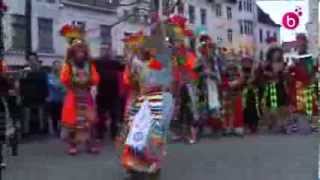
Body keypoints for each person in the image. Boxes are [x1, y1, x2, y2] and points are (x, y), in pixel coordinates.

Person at [59, 24, 100, 155]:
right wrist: (73, 80)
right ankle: (73, 145)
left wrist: (89, 80)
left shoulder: (89, 65)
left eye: (82, 51)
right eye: (78, 51)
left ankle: (90, 144)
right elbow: (64, 79)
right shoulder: (68, 65)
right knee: (73, 123)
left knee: (90, 121)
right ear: (73, 52)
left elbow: (95, 79)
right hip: (73, 95)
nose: (80, 54)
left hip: (86, 95)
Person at [94, 50, 125, 142]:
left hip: (113, 94)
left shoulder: (115, 63)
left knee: (113, 115)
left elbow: (125, 67)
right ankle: (101, 133)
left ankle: (112, 134)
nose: (107, 54)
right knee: (102, 115)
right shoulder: (97, 62)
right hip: (102, 94)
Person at [19, 52, 49, 136]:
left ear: (36, 60)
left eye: (33, 59)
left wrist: (46, 95)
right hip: (27, 97)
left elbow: (44, 83)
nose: (32, 61)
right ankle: (25, 131)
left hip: (40, 96)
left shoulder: (42, 71)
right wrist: (21, 95)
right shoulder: (24, 71)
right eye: (30, 59)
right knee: (26, 114)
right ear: (28, 61)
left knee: (42, 113)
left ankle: (43, 130)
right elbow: (21, 83)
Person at [47, 60, 65, 136]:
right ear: (53, 67)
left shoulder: (63, 76)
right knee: (54, 117)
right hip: (53, 100)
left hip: (62, 100)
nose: (58, 67)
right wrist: (62, 85)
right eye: (56, 65)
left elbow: (65, 88)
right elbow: (55, 86)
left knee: (61, 117)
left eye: (59, 65)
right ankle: (55, 129)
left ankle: (60, 129)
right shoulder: (49, 76)